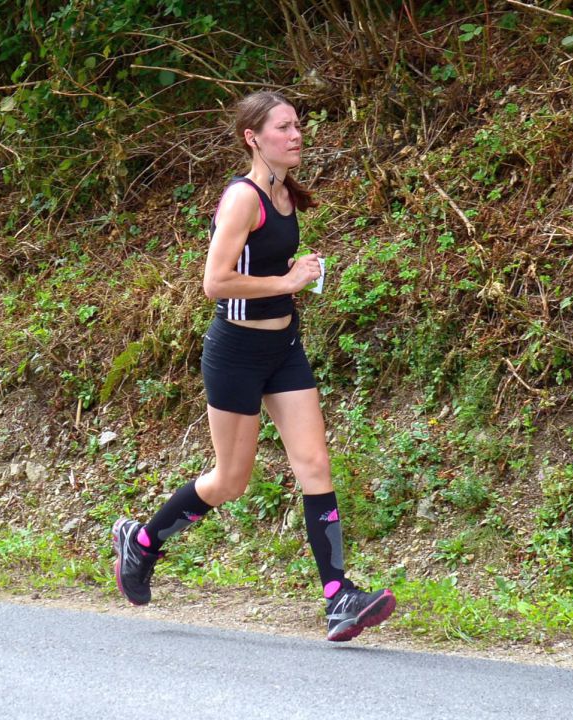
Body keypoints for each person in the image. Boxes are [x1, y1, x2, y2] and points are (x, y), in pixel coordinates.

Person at [113, 90, 395, 642]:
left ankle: (338, 597)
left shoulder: (285, 194)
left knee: (314, 462)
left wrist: (295, 272)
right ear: (253, 138)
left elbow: (261, 266)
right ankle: (143, 543)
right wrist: (286, 282)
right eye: (284, 128)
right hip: (236, 353)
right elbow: (214, 283)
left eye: (298, 126)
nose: (296, 135)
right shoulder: (242, 198)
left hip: (283, 348)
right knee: (231, 480)